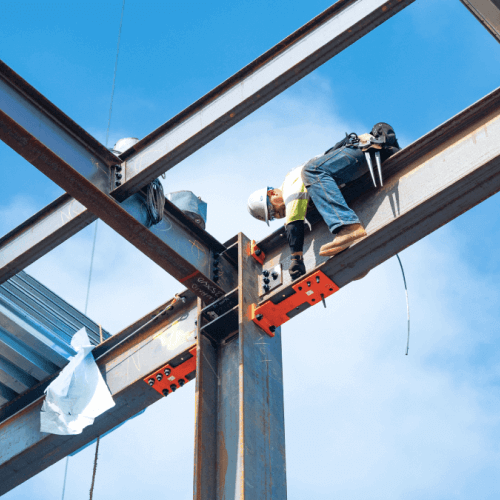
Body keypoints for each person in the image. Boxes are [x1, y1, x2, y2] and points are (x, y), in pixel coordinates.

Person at [247, 123, 400, 280]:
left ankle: (348, 226)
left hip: (361, 151)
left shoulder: (290, 183)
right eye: (272, 217)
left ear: (272, 193)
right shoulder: (313, 199)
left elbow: (293, 221)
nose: (277, 215)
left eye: (272, 209)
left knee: (310, 170)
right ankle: (352, 244)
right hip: (359, 168)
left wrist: (296, 258)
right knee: (319, 219)